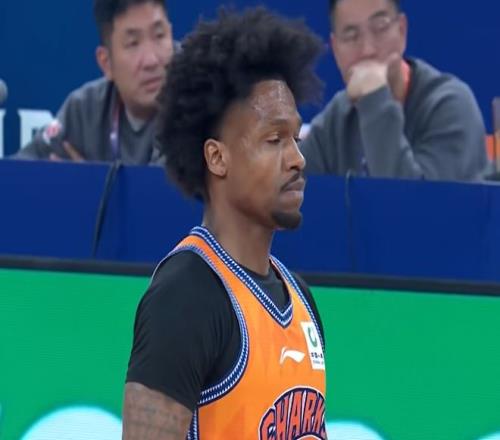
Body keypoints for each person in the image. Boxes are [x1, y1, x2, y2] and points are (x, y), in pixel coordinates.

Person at [123, 7, 327, 440]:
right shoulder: (185, 296)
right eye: (274, 139)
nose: (297, 158)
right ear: (217, 158)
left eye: (296, 138)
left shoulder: (301, 299)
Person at [300, 0, 489, 180]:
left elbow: (411, 199)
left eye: (380, 28)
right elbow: (292, 189)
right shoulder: (337, 117)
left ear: (401, 30)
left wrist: (374, 99)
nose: (367, 50)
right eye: (351, 36)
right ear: (335, 49)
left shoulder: (451, 105)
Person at [13, 0, 174, 164]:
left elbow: (170, 179)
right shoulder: (84, 110)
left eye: (159, 35)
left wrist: (90, 179)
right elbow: (17, 170)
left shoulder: (189, 99)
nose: (151, 61)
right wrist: (59, 176)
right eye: (133, 43)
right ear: (106, 63)